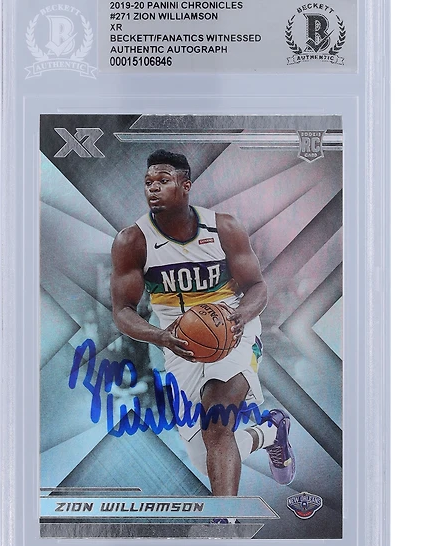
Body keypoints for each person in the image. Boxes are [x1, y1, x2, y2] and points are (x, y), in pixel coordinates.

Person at [110, 149, 295, 498]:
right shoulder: (132, 241)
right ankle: (272, 432)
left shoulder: (224, 228)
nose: (153, 188)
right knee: (203, 455)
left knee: (217, 424)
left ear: (186, 185)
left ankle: (225, 521)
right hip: (176, 342)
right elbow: (122, 310)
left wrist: (241, 316)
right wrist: (159, 336)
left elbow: (257, 287)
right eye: (148, 182)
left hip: (232, 332)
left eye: (163, 181)